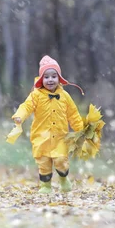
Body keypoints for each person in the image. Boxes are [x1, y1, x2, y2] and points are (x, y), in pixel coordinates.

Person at [11, 55, 84, 194]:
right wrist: (20, 116)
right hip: (41, 137)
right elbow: (26, 106)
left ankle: (63, 179)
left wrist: (80, 129)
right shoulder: (36, 95)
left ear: (59, 78)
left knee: (61, 160)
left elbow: (73, 114)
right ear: (41, 79)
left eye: (53, 76)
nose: (50, 80)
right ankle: (46, 186)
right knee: (43, 163)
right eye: (46, 77)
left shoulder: (65, 96)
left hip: (60, 137)